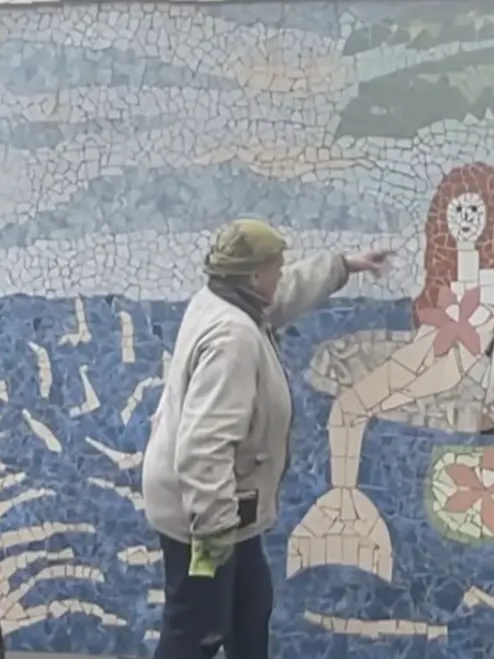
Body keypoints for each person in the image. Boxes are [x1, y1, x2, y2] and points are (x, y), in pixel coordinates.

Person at [141, 219, 392, 659]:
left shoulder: (224, 298)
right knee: (199, 626)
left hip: (230, 507)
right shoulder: (233, 339)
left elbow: (284, 292)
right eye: (276, 266)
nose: (282, 272)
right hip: (205, 516)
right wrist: (215, 538)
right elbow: (204, 448)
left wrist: (343, 266)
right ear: (255, 276)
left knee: (249, 610)